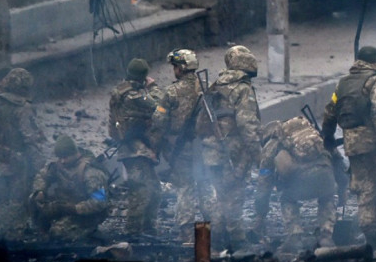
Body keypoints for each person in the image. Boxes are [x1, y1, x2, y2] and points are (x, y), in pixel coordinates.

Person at [321, 45, 376, 256]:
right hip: (374, 142)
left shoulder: (343, 84)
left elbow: (329, 113)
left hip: (352, 144)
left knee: (365, 188)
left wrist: (328, 140)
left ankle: (370, 235)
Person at [195, 45, 262, 251]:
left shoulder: (214, 86)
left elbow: (199, 123)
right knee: (234, 196)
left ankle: (211, 244)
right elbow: (247, 125)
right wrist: (258, 155)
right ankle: (238, 242)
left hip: (210, 151)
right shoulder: (243, 89)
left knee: (218, 195)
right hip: (233, 151)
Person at [254, 116, 338, 252]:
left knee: (287, 198)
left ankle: (295, 235)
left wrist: (260, 215)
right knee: (327, 196)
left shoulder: (271, 146)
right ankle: (325, 235)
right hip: (326, 176)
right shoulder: (310, 132)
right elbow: (336, 157)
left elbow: (264, 185)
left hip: (302, 181)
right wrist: (342, 188)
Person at [0, 67, 47, 239]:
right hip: (18, 160)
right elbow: (31, 138)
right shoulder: (23, 107)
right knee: (18, 199)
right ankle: (9, 233)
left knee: (2, 196)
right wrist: (41, 165)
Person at [151, 49, 207, 242]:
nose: (173, 70)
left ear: (182, 68)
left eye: (175, 66)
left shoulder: (172, 92)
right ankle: (218, 226)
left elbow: (159, 121)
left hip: (179, 147)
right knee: (207, 185)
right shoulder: (205, 87)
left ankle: (186, 232)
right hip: (203, 147)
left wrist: (154, 148)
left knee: (185, 187)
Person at [108, 57, 163, 238]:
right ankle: (133, 232)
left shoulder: (121, 90)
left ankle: (148, 228)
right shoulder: (133, 95)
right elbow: (158, 106)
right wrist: (153, 87)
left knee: (154, 188)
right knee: (140, 190)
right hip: (134, 149)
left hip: (137, 148)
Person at [29, 134, 111, 242]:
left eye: (65, 157)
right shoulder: (59, 165)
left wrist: (74, 208)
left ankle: (89, 231)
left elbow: (100, 202)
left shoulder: (91, 172)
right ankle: (39, 227)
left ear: (75, 153)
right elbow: (42, 176)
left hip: (86, 214)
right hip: (65, 207)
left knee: (58, 233)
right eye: (60, 157)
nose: (62, 161)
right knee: (32, 198)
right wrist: (40, 191)